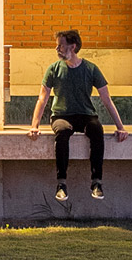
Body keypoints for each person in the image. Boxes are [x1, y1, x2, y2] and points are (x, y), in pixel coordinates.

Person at [26, 28, 126, 204]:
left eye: (61, 46)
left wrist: (120, 127)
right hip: (61, 115)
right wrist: (34, 125)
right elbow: (42, 98)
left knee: (96, 130)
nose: (57, 49)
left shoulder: (90, 69)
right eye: (57, 46)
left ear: (73, 47)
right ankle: (61, 184)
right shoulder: (54, 69)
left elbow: (106, 99)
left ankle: (97, 182)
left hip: (85, 114)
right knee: (62, 132)